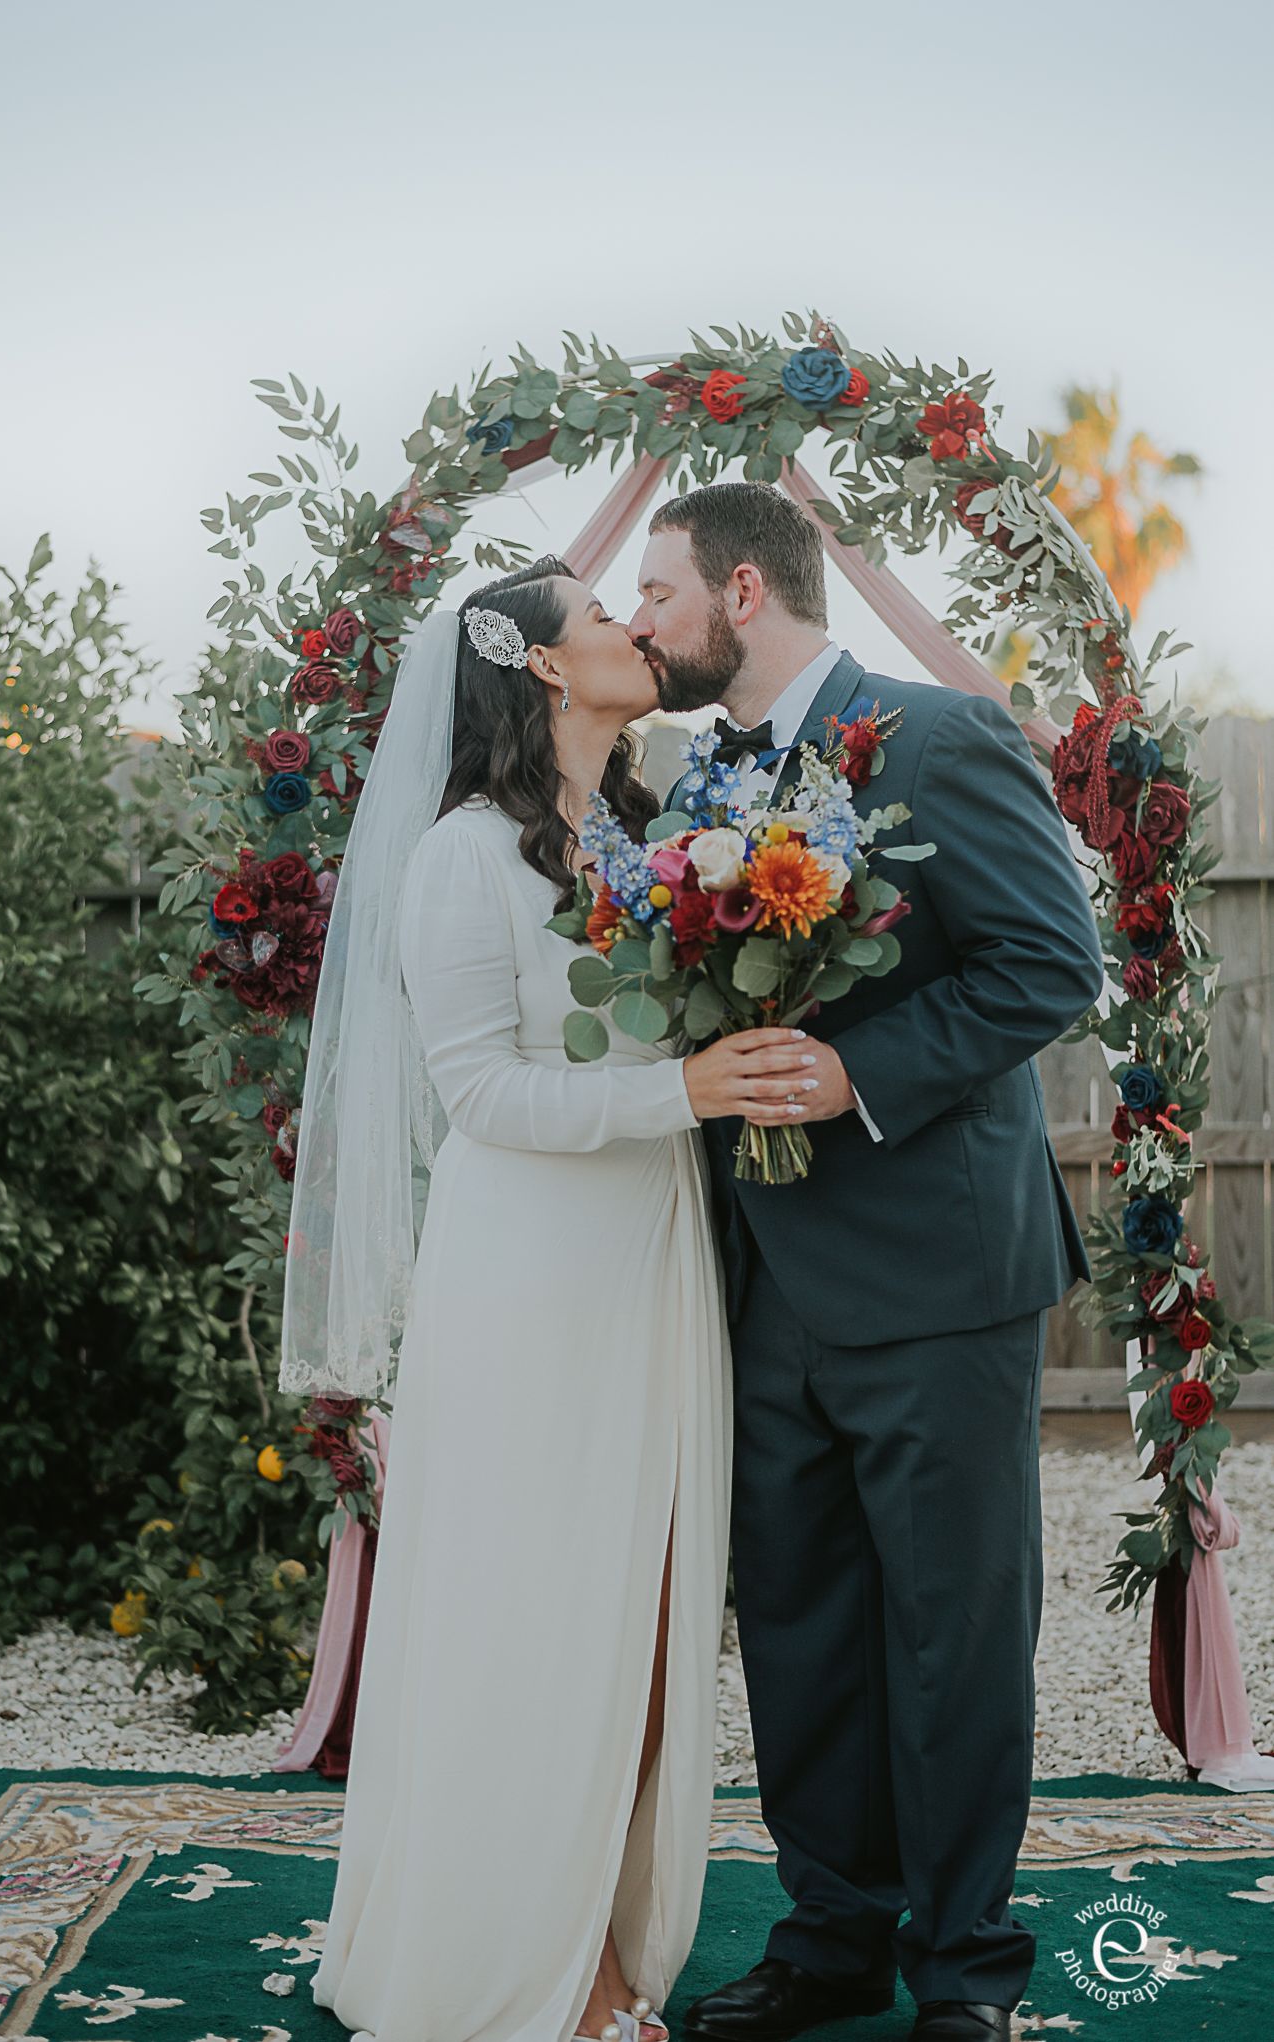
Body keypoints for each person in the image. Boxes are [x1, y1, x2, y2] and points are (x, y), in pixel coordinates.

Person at [279, 559, 819, 2042]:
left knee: (650, 1604)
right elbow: (481, 1092)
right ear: (536, 666)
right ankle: (538, 1968)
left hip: (654, 1252)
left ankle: (601, 1929)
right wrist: (685, 1091)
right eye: (601, 618)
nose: (634, 628)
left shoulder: (642, 837)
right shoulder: (464, 857)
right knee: (539, 1610)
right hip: (529, 1276)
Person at [629, 482, 1106, 2042]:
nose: (641, 622)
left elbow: (1051, 964)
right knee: (802, 1627)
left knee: (952, 1634)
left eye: (659, 591)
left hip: (939, 1276)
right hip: (763, 1279)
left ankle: (966, 1967)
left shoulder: (940, 739)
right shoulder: (696, 780)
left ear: (743, 589)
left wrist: (859, 1073)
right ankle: (831, 1934)